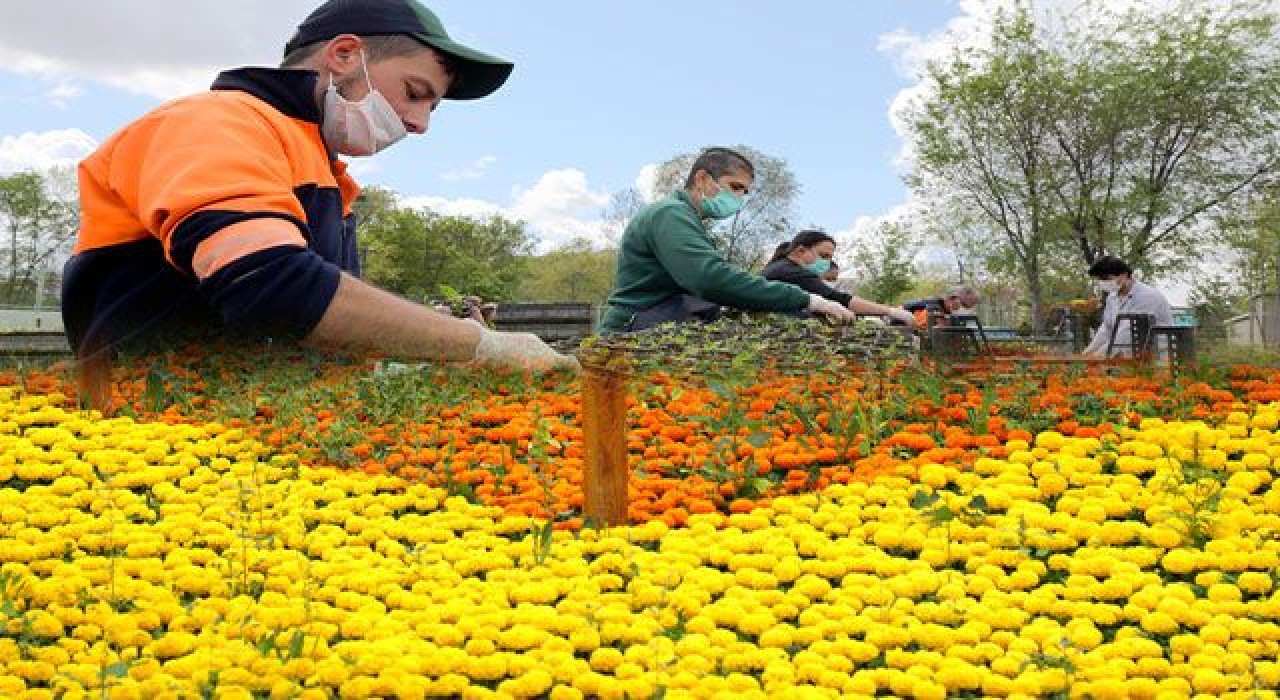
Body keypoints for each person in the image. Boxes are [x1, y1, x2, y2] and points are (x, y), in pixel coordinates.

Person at [61, 0, 575, 372]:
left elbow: (315, 326)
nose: (420, 124)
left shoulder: (323, 171)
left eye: (431, 107)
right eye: (416, 93)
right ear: (345, 55)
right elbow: (267, 283)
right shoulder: (213, 123)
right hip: (161, 433)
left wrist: (423, 331)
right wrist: (472, 344)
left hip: (259, 429)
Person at [598, 148, 859, 333]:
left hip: (651, 324)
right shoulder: (670, 214)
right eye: (734, 187)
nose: (739, 199)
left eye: (744, 193)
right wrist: (806, 299)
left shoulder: (687, 219)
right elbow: (710, 278)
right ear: (702, 179)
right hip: (630, 331)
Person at [761, 230, 916, 325]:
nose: (827, 263)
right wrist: (891, 312)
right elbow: (840, 299)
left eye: (830, 258)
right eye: (823, 256)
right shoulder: (793, 272)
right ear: (801, 251)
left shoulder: (780, 267)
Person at [1081, 256, 1173, 358]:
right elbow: (1106, 329)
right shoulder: (1112, 297)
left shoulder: (1147, 296)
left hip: (1157, 358)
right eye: (1100, 279)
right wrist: (1087, 353)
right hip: (1130, 356)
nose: (1103, 283)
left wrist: (1096, 357)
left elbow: (1126, 334)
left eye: (1107, 278)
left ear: (1124, 275)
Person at [903, 285, 981, 326]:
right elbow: (939, 327)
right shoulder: (934, 306)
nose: (962, 308)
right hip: (901, 321)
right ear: (951, 298)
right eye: (963, 304)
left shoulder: (946, 308)